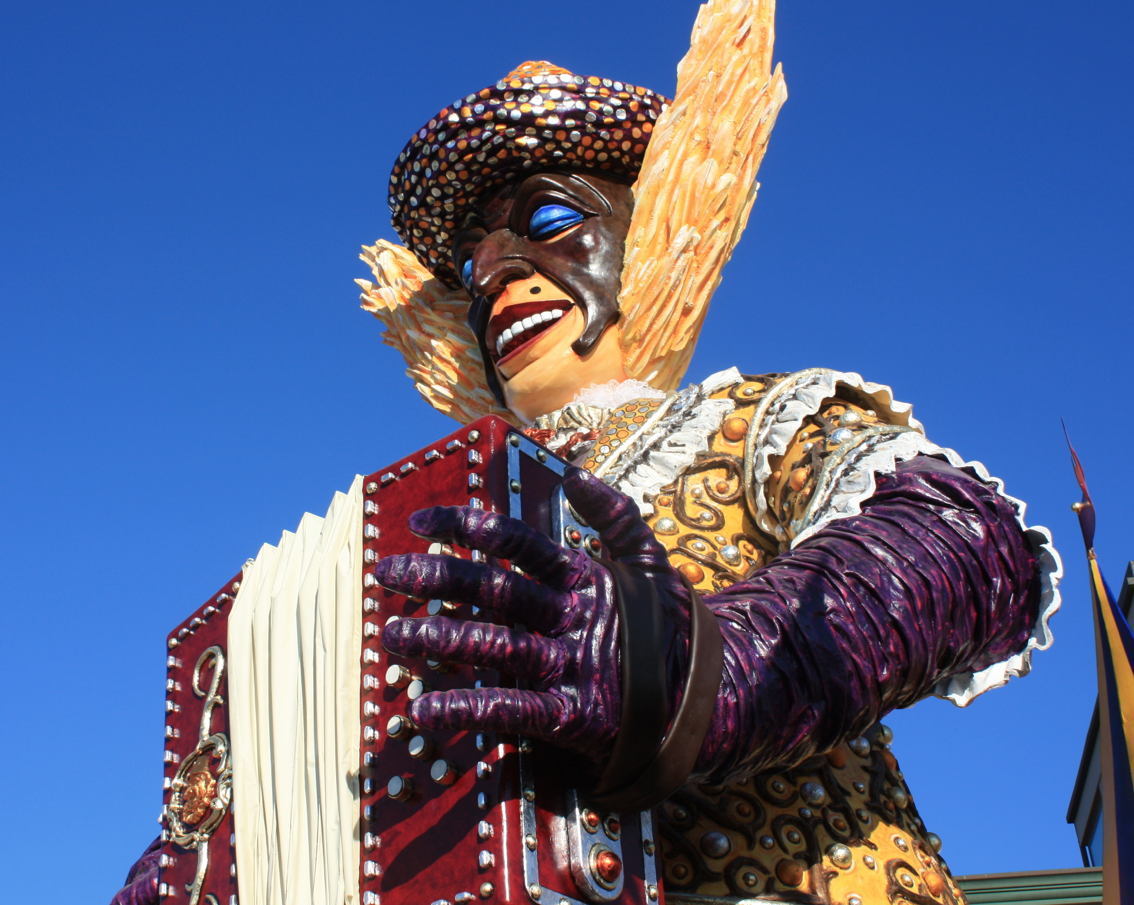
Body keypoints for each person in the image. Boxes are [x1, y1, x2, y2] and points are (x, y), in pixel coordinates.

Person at [111, 4, 1060, 904]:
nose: (500, 282)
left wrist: (699, 667)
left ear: (650, 235)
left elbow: (966, 539)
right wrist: (204, 849)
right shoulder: (438, 536)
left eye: (552, 225)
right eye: (476, 272)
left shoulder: (747, 421)